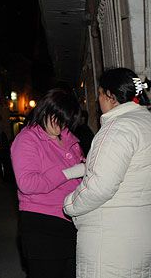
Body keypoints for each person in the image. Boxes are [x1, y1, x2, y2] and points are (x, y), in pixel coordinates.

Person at [64, 68, 151, 277]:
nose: (98, 101)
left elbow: (100, 186)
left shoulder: (117, 128)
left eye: (100, 94)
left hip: (110, 237)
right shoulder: (145, 123)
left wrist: (70, 204)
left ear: (110, 96)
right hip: (141, 226)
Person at [10, 88, 83, 278]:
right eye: (57, 118)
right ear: (45, 111)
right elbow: (27, 183)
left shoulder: (69, 139)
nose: (61, 125)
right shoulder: (27, 139)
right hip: (42, 226)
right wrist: (68, 173)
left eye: (66, 120)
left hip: (72, 222)